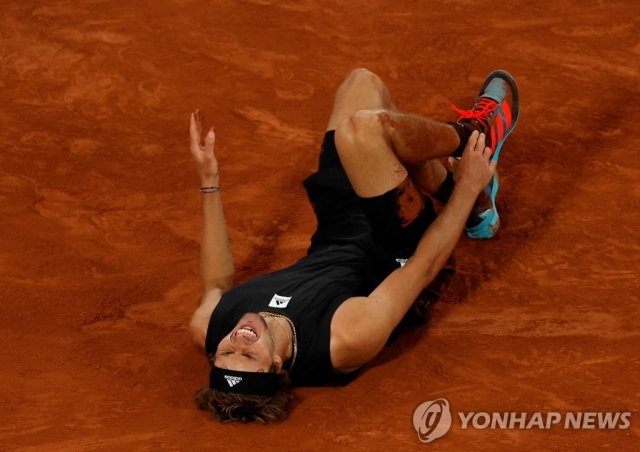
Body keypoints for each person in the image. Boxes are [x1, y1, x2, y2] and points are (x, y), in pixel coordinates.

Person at [187, 69, 519, 423]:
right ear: (277, 365)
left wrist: (209, 180)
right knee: (362, 132)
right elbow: (424, 266)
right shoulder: (345, 337)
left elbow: (217, 285)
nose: (239, 339)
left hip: (338, 229)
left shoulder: (211, 326)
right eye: (249, 356)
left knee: (362, 85)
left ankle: (479, 209)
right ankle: (476, 135)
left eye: (227, 351)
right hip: (399, 252)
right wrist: (467, 186)